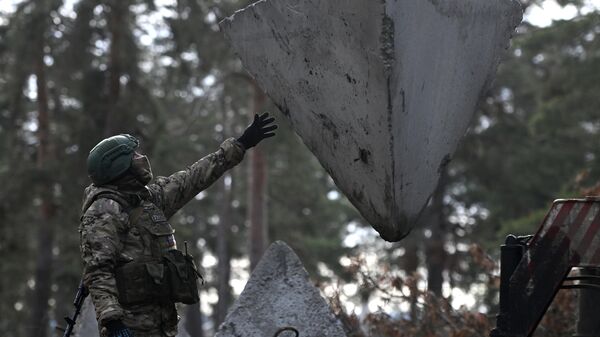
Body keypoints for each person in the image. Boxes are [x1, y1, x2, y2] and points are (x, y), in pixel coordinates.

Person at [79, 113, 277, 337]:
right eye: (133, 154)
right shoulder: (105, 210)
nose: (141, 157)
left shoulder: (148, 200)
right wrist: (112, 321)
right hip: (131, 326)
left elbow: (193, 178)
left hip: (162, 322)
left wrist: (241, 144)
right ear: (119, 165)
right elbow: (98, 270)